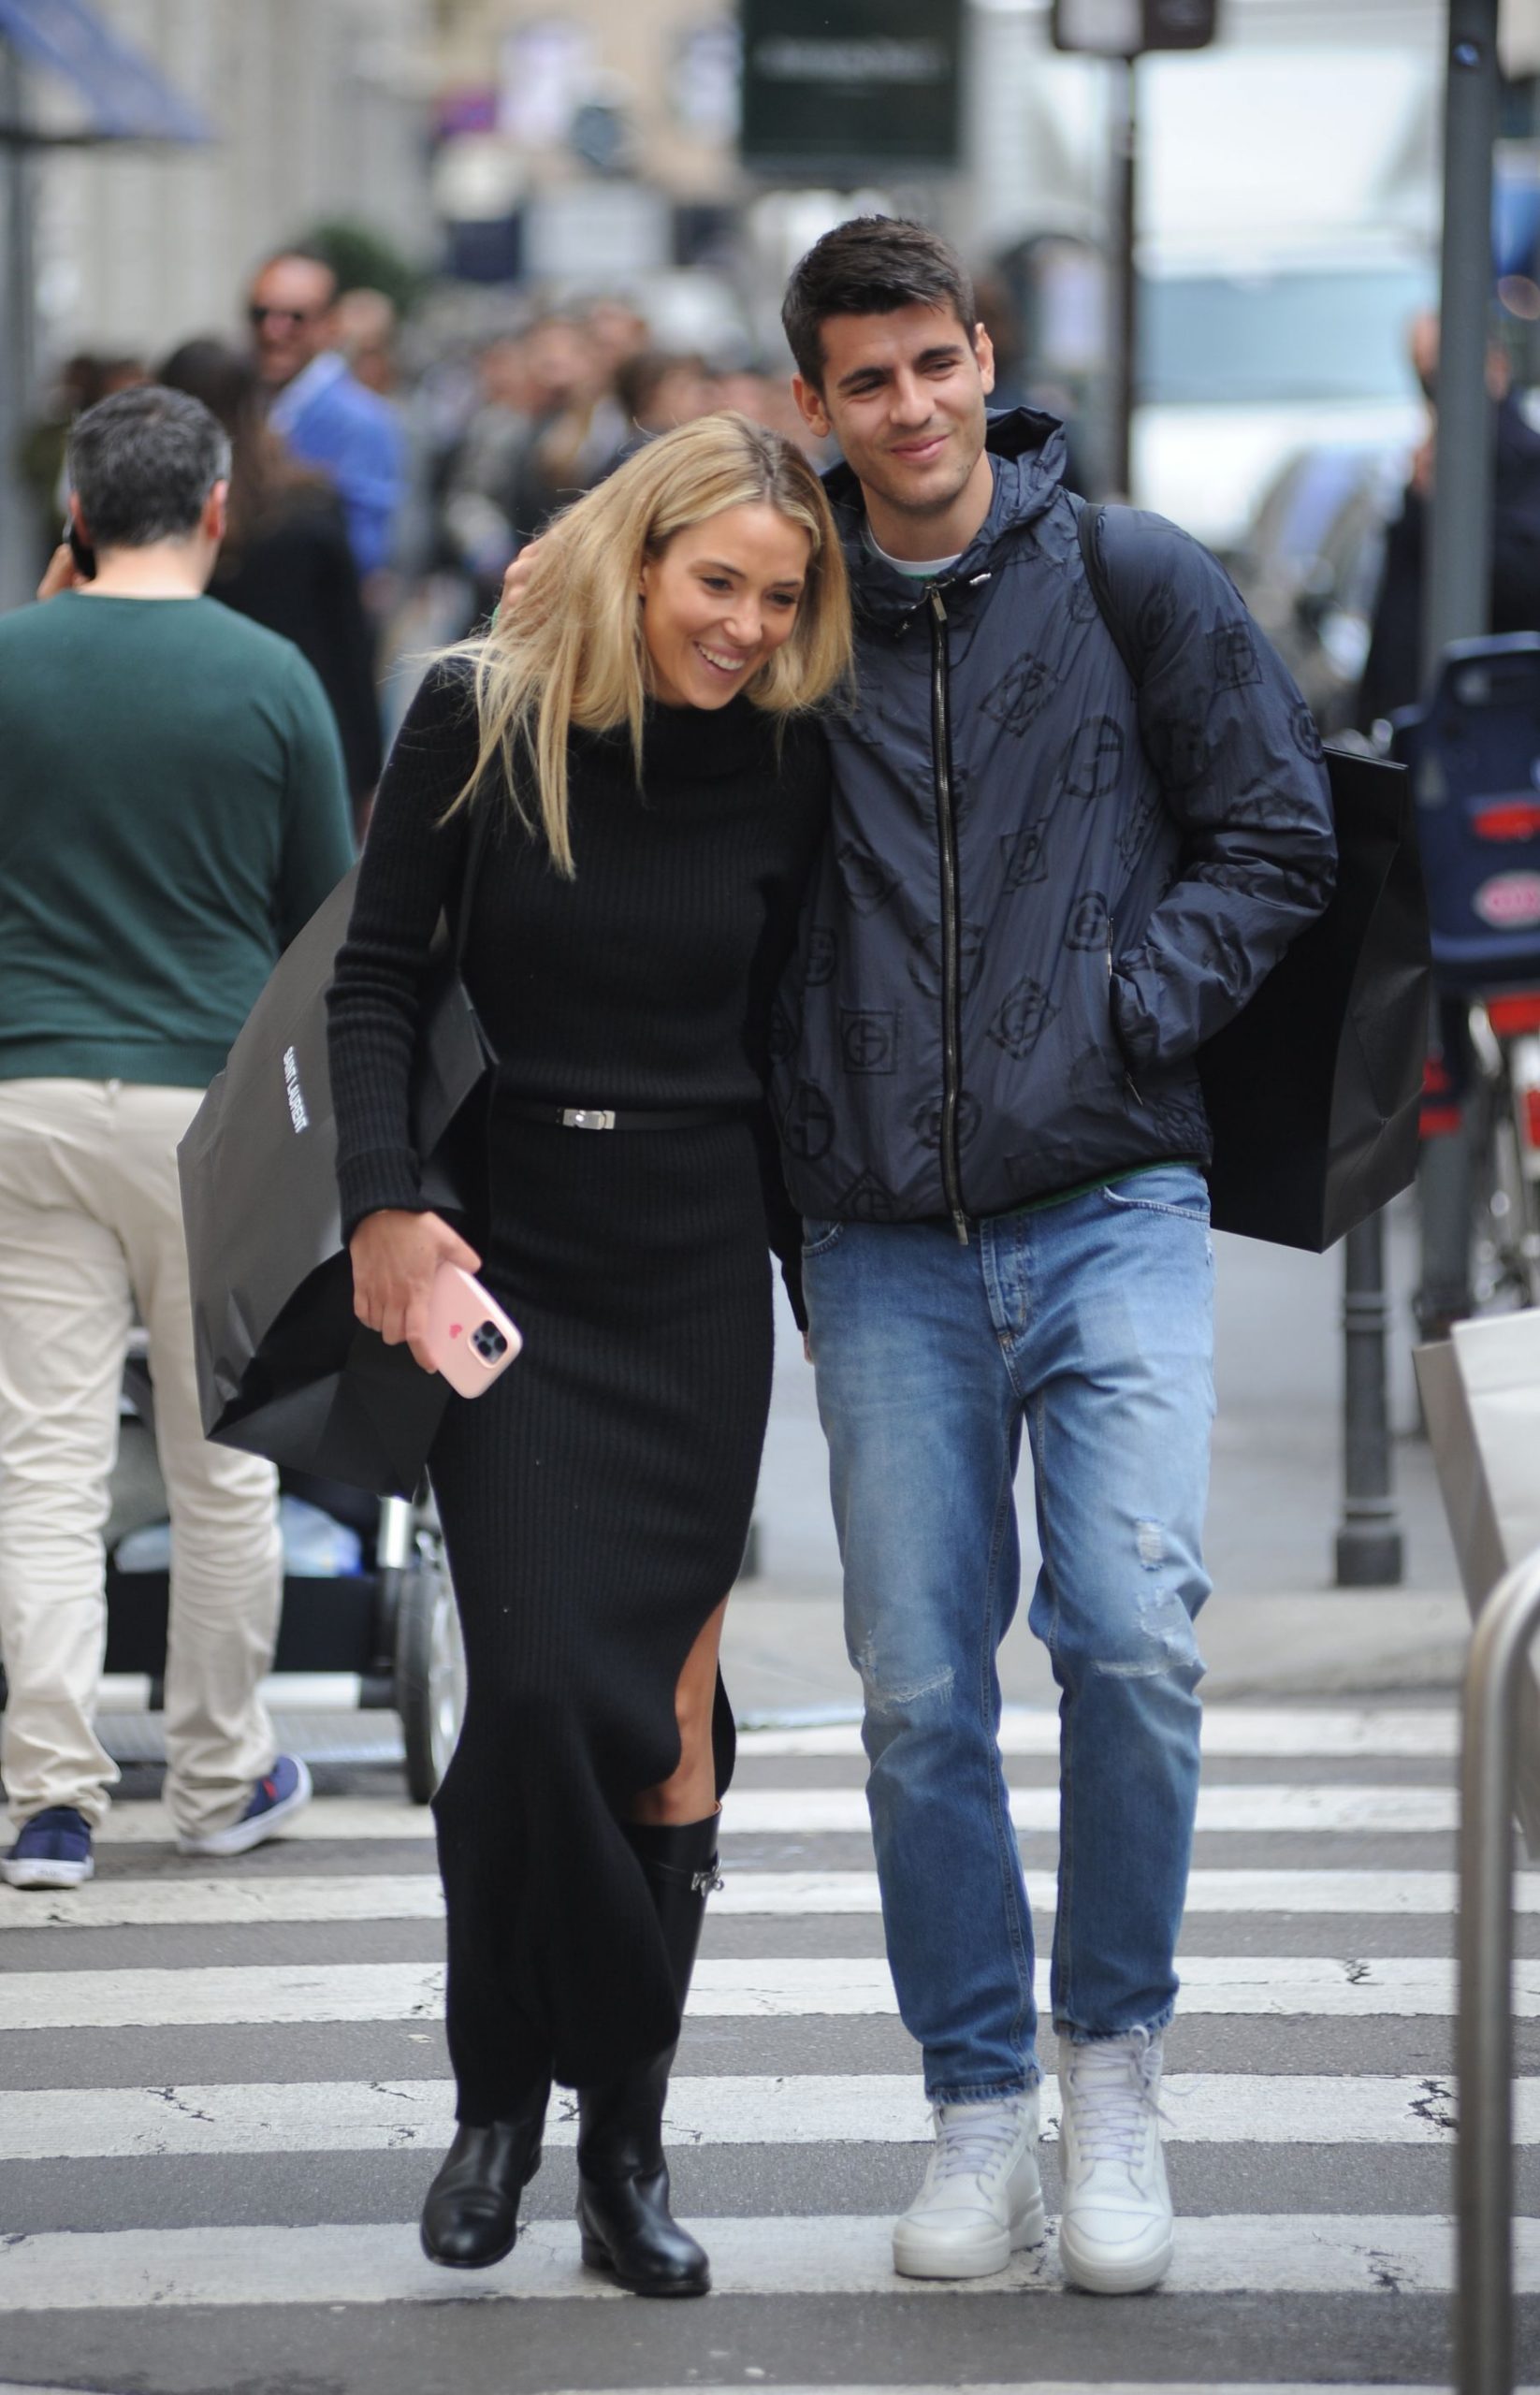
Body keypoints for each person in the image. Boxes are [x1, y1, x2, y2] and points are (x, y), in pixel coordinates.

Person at [764, 219, 1334, 2292]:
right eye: (867, 380)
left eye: (934, 363)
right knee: (919, 1689)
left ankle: (1114, 2071)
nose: (910, 407)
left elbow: (1281, 829)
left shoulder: (1131, 574)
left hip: (1110, 1197)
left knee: (1135, 1631)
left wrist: (1124, 1007)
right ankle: (975, 2101)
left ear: (983, 355)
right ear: (815, 403)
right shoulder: (791, 606)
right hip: (878, 1237)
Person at [326, 413, 849, 2292]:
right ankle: (501, 2102)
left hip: (695, 1277)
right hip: (514, 1271)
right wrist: (385, 1205)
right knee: (540, 1694)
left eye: (779, 598)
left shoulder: (792, 751)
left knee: (662, 1726)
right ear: (634, 558)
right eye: (715, 582)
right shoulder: (483, 710)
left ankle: (623, 2151)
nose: (746, 626)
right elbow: (376, 978)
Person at [0, 385, 355, 1890]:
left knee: (43, 1459)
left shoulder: (10, 661)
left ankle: (47, 1799)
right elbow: (325, 918)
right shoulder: (269, 678)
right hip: (208, 1116)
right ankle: (218, 1775)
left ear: (76, 516)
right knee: (224, 1460)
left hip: (27, 1097)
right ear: (217, 509)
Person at [159, 339, 383, 820]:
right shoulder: (310, 509)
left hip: (183, 756)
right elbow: (349, 648)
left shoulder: (153, 524)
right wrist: (365, 771)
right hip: (298, 748)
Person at [247, 247, 405, 582]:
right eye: (261, 313)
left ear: (330, 325)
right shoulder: (243, 401)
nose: (274, 329)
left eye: (295, 317)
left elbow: (364, 552)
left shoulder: (362, 421)